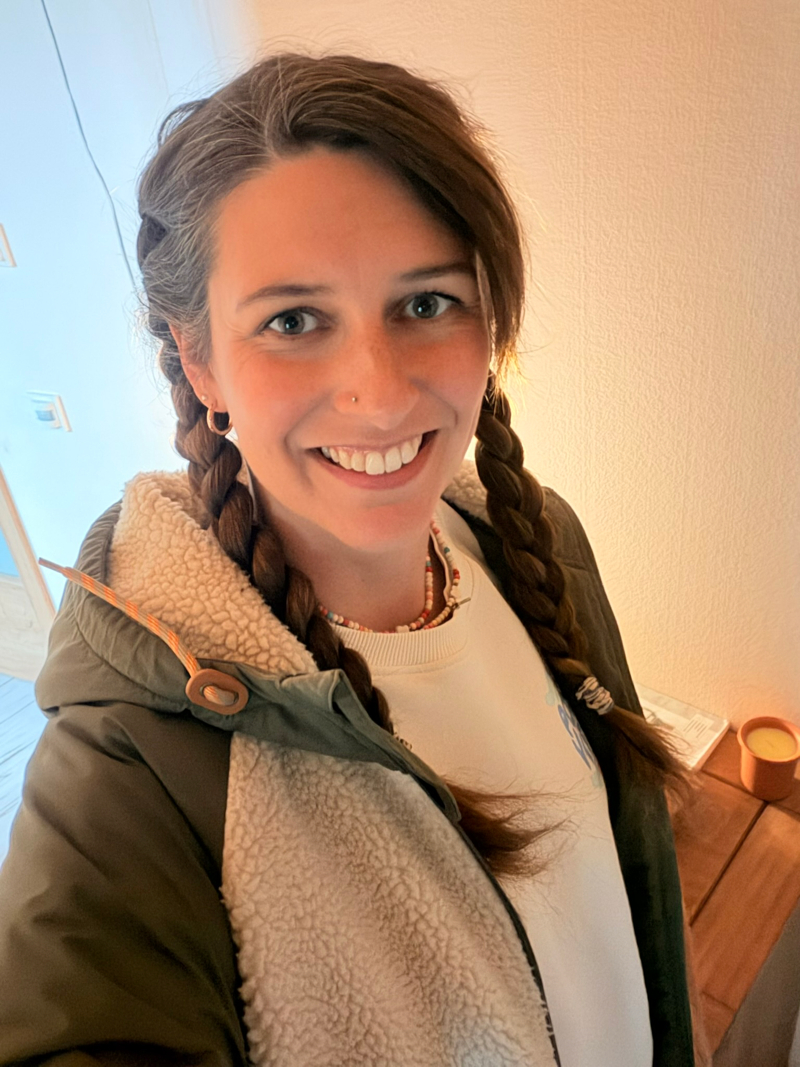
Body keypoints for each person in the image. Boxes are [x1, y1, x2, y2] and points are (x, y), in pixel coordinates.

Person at [0, 53, 695, 1066]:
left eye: (426, 302)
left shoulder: (539, 544)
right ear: (198, 360)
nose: (378, 390)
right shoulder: (134, 762)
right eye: (292, 321)